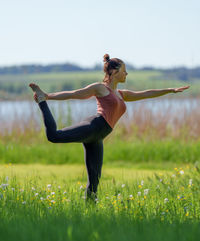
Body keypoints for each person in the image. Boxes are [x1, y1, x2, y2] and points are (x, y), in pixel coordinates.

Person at [29, 53, 190, 202]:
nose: (126, 74)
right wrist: (48, 96)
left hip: (98, 137)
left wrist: (170, 90)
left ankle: (90, 213)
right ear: (114, 71)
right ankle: (42, 102)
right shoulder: (100, 88)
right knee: (54, 136)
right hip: (94, 126)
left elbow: (146, 93)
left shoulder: (122, 94)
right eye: (124, 71)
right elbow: (74, 93)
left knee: (94, 179)